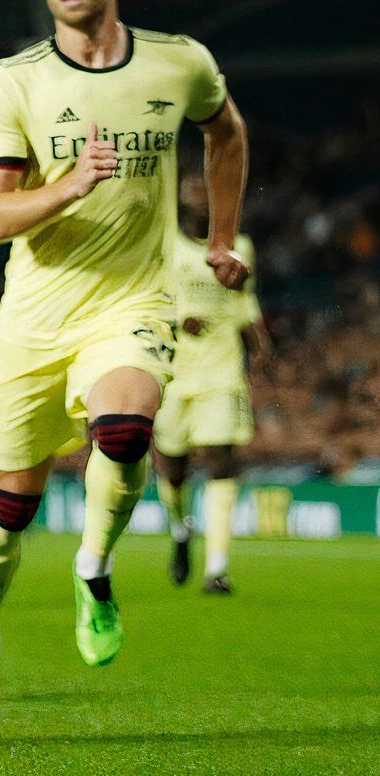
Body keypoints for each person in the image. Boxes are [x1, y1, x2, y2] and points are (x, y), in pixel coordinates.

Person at [0, 0, 251, 704]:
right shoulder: (13, 79)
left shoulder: (178, 63)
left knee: (124, 431)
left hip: (133, 302)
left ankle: (94, 566)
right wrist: (70, 186)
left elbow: (227, 134)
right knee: (10, 507)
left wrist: (220, 236)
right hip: (36, 318)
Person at [154, 173, 269, 594]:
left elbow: (245, 300)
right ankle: (181, 530)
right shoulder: (166, 245)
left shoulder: (241, 246)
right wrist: (176, 321)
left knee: (221, 461)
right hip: (174, 370)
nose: (202, 196)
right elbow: (146, 298)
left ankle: (217, 568)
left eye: (208, 189)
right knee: (173, 468)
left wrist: (258, 337)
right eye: (193, 190)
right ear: (180, 197)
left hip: (221, 369)